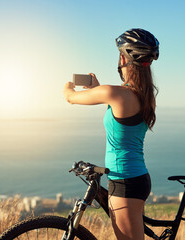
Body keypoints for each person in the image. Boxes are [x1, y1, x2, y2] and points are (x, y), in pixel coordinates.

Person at [63, 28, 159, 240]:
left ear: (123, 58)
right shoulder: (143, 95)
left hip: (125, 182)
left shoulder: (116, 93)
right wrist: (98, 89)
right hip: (136, 178)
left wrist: (68, 87)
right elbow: (118, 107)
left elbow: (70, 97)